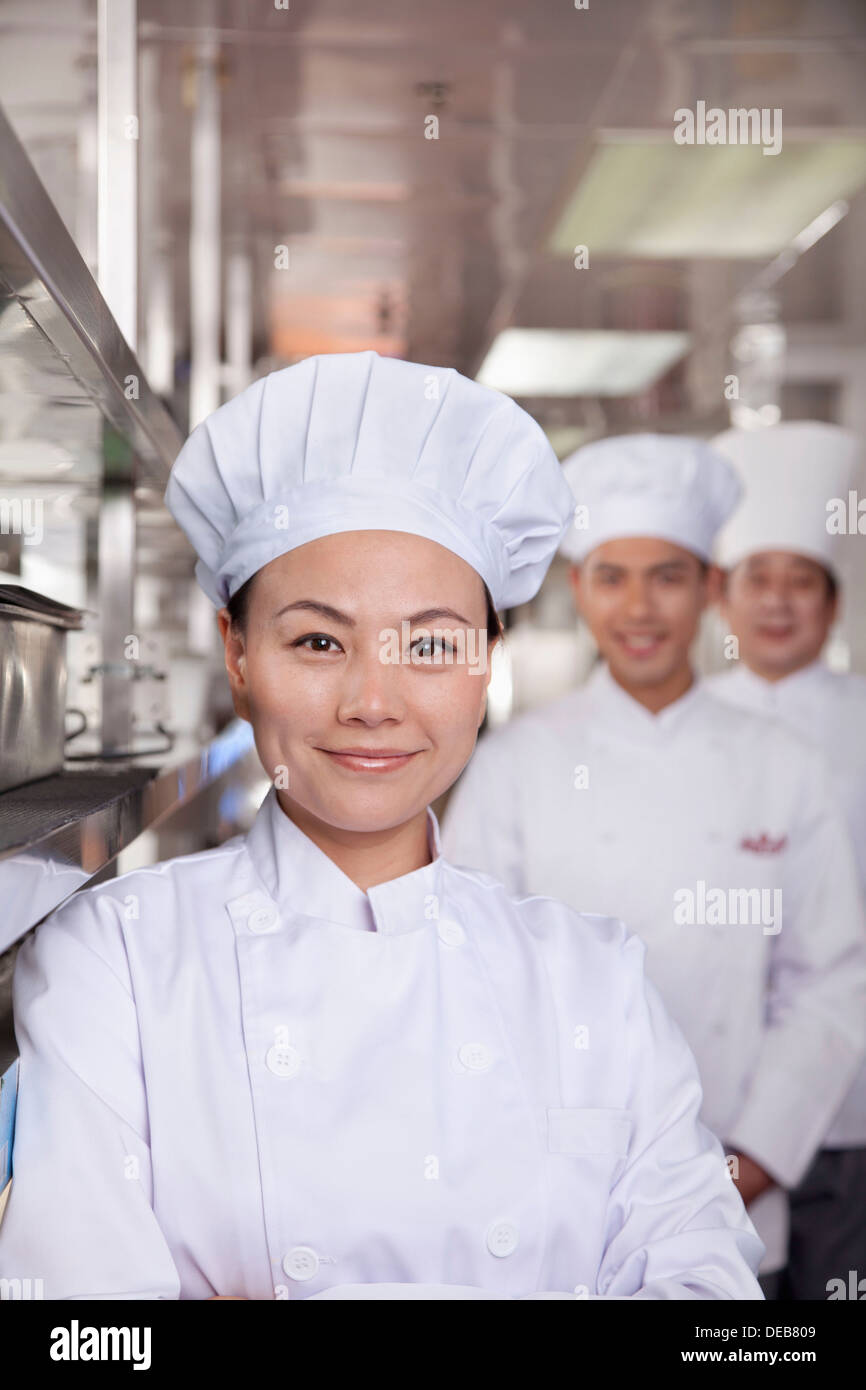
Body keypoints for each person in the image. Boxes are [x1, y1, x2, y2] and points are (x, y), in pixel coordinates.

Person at [0, 353, 766, 1302]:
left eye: (432, 644)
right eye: (319, 640)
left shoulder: (593, 980)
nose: (373, 701)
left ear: (487, 663)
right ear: (238, 656)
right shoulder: (110, 961)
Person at [441, 431, 866, 1299]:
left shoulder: (784, 764)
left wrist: (749, 1166)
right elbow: (466, 977)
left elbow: (828, 980)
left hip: (741, 1197)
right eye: (612, 576)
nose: (639, 608)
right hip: (554, 1203)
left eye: (668, 576)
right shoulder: (515, 764)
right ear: (578, 590)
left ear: (710, 589)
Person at [708, 419, 866, 1300]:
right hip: (719, 1105)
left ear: (832, 603)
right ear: (723, 600)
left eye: (800, 581)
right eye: (756, 580)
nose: (777, 601)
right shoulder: (680, 732)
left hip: (854, 1104)